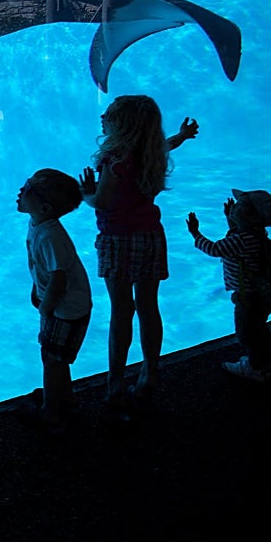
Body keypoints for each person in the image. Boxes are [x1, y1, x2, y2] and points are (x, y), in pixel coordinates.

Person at [77, 95, 198, 419]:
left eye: (110, 116)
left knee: (121, 311)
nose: (103, 117)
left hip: (118, 240)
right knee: (148, 307)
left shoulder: (114, 159)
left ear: (122, 126)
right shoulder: (149, 153)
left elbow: (102, 202)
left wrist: (86, 192)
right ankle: (150, 372)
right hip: (150, 237)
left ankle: (116, 384)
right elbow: (167, 144)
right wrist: (183, 136)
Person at [16, 168, 92, 432]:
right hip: (65, 307)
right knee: (57, 359)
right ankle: (66, 400)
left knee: (51, 360)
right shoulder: (38, 223)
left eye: (28, 190)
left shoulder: (50, 235)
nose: (21, 191)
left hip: (64, 311)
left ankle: (50, 412)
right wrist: (38, 290)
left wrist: (46, 308)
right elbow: (45, 270)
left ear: (45, 208)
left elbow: (59, 279)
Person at [186, 189, 271, 382]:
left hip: (247, 297)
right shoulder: (255, 234)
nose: (235, 207)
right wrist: (231, 218)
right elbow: (237, 235)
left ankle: (255, 368)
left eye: (240, 206)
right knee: (258, 329)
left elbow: (215, 249)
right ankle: (262, 361)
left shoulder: (241, 239)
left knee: (246, 331)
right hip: (260, 295)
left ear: (250, 217)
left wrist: (195, 233)